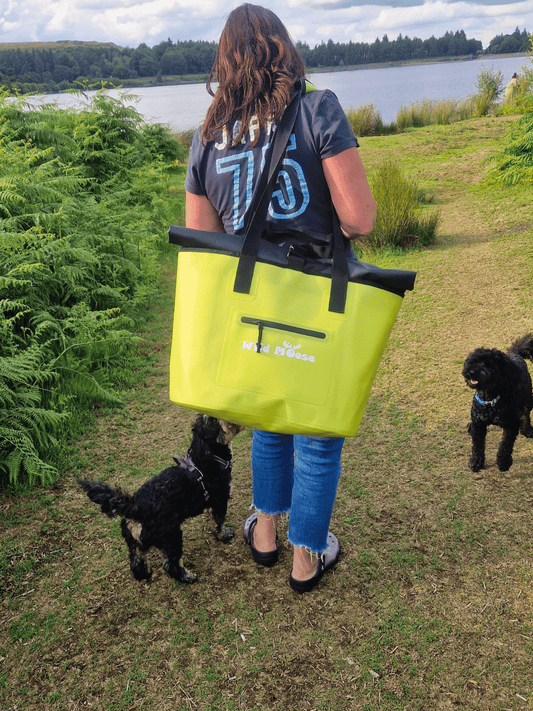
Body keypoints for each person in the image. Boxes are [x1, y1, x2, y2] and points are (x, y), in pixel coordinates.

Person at [184, 3, 376, 593]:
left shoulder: (207, 135)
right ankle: (305, 559)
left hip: (251, 308)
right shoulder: (318, 109)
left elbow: (203, 246)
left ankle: (264, 535)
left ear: (226, 61)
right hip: (317, 300)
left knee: (269, 414)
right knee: (317, 430)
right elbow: (360, 218)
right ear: (283, 50)